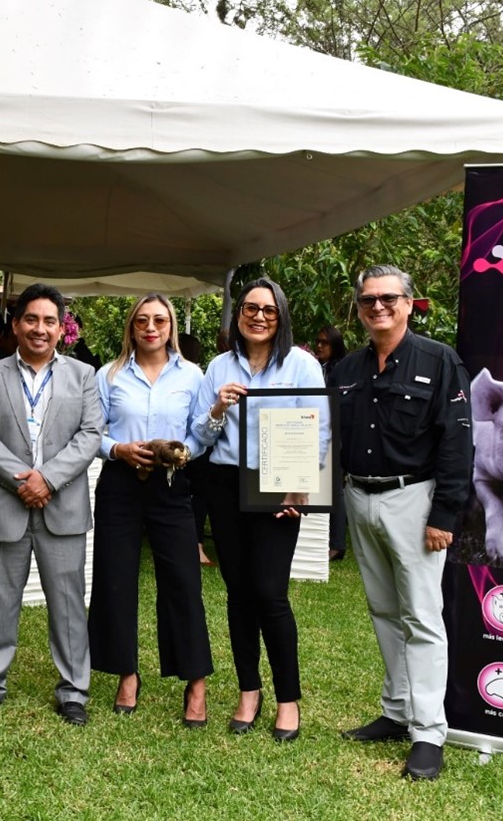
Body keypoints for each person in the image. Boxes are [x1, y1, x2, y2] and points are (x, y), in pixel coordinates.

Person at [333, 264, 472, 781]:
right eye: (368, 300)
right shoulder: (347, 369)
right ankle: (396, 711)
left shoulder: (439, 360)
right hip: (360, 497)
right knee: (384, 610)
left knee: (422, 617)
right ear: (359, 308)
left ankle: (428, 732)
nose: (378, 307)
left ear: (409, 304)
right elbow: (325, 436)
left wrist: (444, 514)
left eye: (388, 298)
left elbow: (458, 440)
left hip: (414, 500)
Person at [0, 283, 103, 725]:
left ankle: (73, 691)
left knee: (69, 604)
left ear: (62, 328)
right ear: (16, 324)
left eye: (49, 321)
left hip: (64, 506)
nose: (40, 329)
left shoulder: (83, 376)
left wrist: (49, 479)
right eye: (32, 319)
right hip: (8, 502)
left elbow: (90, 435)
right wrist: (24, 480)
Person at [192, 277, 329, 741]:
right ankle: (248, 691)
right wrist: (217, 408)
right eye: (250, 308)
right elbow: (199, 437)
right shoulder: (218, 367)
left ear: (281, 316)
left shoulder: (302, 365)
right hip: (225, 482)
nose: (259, 317)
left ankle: (288, 700)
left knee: (270, 593)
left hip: (277, 485)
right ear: (238, 315)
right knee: (238, 592)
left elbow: (320, 429)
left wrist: (300, 487)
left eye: (269, 310)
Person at [87, 295, 213, 727]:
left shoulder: (193, 375)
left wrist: (182, 452)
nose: (151, 327)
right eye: (141, 320)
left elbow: (201, 433)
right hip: (120, 483)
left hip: (172, 485)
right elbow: (93, 431)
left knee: (183, 582)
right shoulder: (110, 374)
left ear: (171, 326)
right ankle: (126, 673)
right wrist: (118, 449)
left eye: (159, 320)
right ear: (132, 327)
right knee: (115, 579)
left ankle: (196, 682)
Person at [178, 332, 215, 567]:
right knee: (198, 494)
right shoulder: (196, 376)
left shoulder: (195, 377)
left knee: (197, 493)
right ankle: (197, 544)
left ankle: (197, 544)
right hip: (193, 446)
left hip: (192, 445)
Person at [314, 325, 349, 561]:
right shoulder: (321, 367)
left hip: (336, 435)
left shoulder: (340, 370)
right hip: (322, 432)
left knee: (335, 488)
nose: (319, 346)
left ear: (335, 346)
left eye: (324, 342)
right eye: (317, 341)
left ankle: (337, 544)